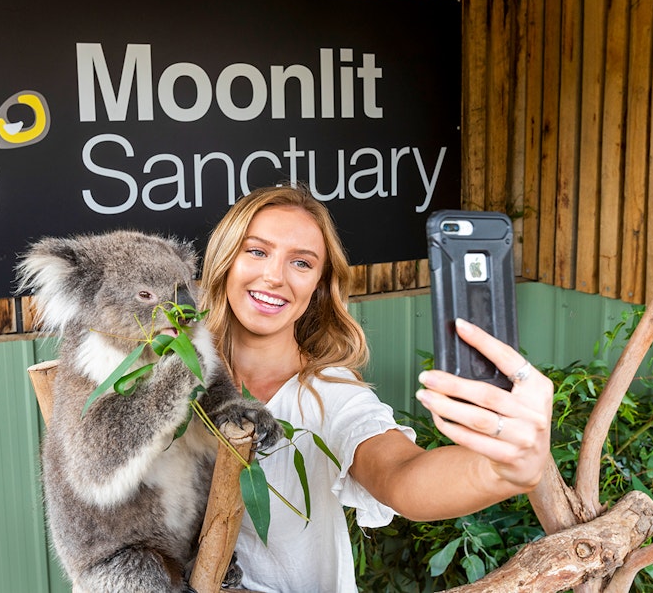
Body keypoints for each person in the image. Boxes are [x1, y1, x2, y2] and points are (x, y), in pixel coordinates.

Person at [198, 184, 554, 593]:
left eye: (301, 262)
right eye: (257, 251)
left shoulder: (331, 396)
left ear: (318, 284)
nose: (274, 276)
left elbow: (400, 477)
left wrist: (498, 470)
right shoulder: (171, 381)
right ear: (225, 258)